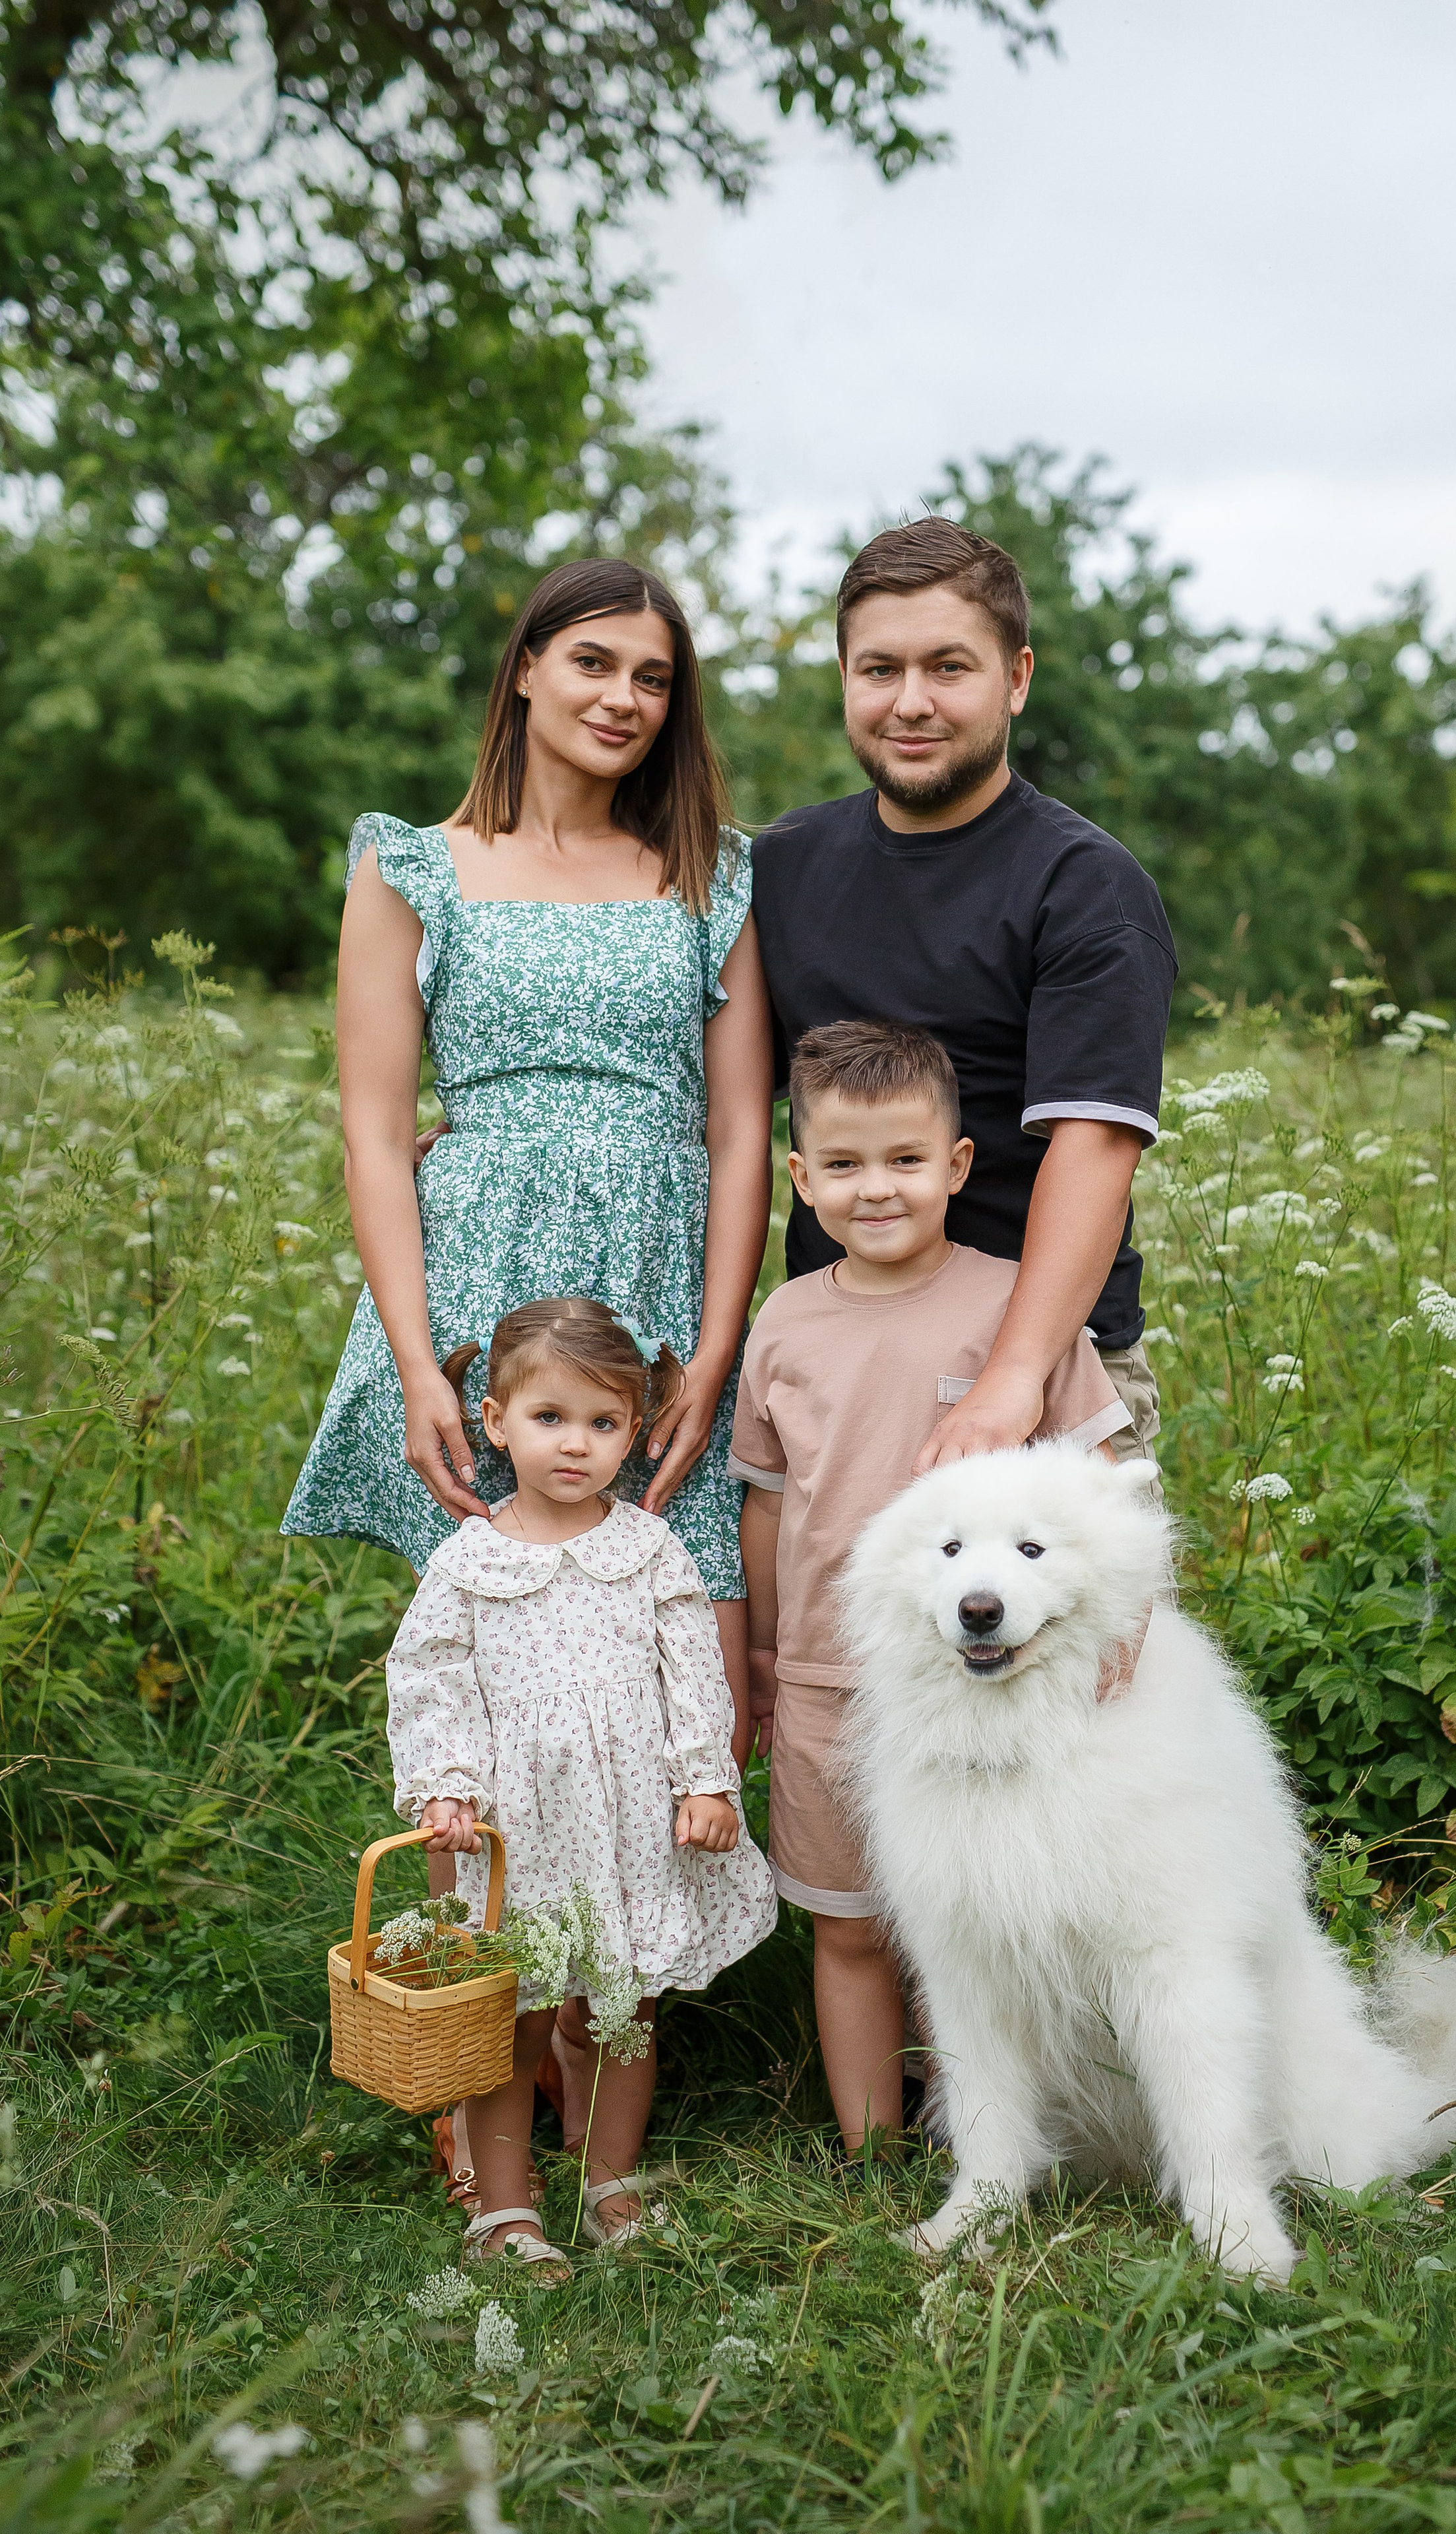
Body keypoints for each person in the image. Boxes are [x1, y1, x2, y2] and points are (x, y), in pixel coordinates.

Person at [284, 554, 772, 2202]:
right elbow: (370, 1117)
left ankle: (613, 2050)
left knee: (664, 1669)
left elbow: (732, 1131)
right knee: (490, 1675)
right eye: (590, 662)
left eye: (650, 675)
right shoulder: (414, 862)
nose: (622, 697)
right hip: (479, 1277)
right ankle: (472, 2068)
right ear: (522, 674)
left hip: (653, 1284)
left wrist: (712, 1339)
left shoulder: (707, 874)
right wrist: (420, 1355)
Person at [730, 1021, 1129, 2151]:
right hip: (830, 1677)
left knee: (977, 1925)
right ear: (800, 1180)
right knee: (851, 1926)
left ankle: (989, 2140)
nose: (877, 1190)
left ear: (958, 1166)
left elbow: (1096, 1494)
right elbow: (769, 1503)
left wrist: (1124, 1626)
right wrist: (760, 1656)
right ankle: (871, 2153)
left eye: (907, 1161)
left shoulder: (1020, 1308)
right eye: (845, 1166)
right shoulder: (786, 1323)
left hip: (989, 1692)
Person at [750, 517, 1176, 1526]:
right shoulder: (782, 867)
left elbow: (1096, 1146)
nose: (911, 703)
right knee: (830, 1666)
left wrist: (1011, 1379)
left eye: (950, 667)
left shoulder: (1083, 886)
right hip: (835, 1351)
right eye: (879, 669)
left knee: (1071, 1676)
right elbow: (708, 1093)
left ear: (1016, 677)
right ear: (845, 679)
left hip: (1045, 1359)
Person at [389, 1297, 776, 2269]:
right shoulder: (468, 1562)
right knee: (509, 2019)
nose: (577, 1446)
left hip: (627, 1826)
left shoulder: (646, 1551)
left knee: (622, 2011)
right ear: (496, 1422)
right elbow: (432, 1681)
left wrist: (705, 1782)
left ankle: (612, 2184)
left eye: (605, 1425)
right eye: (550, 1420)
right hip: (514, 1834)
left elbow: (691, 1669)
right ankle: (508, 2211)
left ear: (635, 1433)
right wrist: (446, 1786)